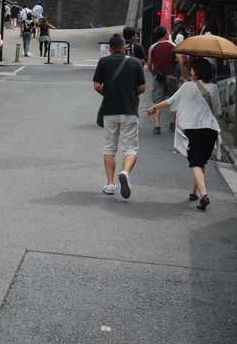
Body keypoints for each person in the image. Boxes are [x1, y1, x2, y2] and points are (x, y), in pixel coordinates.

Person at [143, 58, 221, 211]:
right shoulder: (214, 88)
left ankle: (204, 194)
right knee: (201, 161)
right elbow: (217, 110)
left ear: (196, 71)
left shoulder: (187, 87)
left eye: (192, 68)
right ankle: (193, 193)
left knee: (195, 162)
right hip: (210, 129)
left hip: (194, 129)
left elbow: (170, 102)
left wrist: (153, 108)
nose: (189, 70)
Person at [93, 33, 146, 199]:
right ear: (125, 47)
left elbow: (96, 86)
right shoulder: (135, 62)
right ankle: (125, 172)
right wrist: (132, 94)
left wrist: (107, 93)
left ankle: (110, 184)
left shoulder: (103, 62)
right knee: (130, 147)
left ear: (109, 48)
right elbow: (142, 88)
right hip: (129, 109)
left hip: (110, 110)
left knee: (109, 148)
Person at [147, 25, 188, 134]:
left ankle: (157, 124)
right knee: (174, 98)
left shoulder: (152, 47)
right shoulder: (173, 46)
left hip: (158, 76)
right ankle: (173, 122)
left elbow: (149, 64)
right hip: (171, 76)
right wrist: (182, 76)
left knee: (157, 100)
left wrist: (153, 73)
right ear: (166, 34)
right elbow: (181, 61)